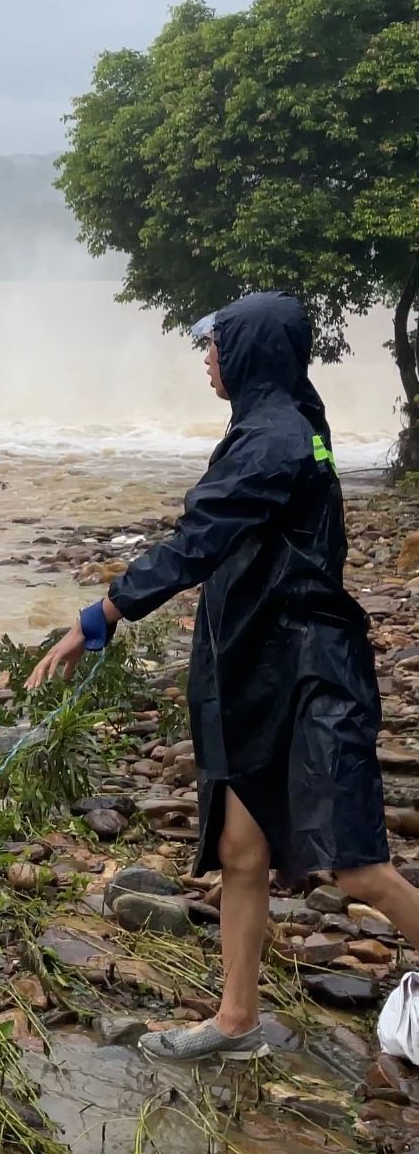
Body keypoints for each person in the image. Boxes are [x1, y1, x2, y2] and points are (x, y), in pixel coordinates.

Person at [26, 290, 419, 1062]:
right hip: (262, 669)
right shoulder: (281, 421)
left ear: (249, 353)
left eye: (215, 345)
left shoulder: (274, 437)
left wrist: (99, 617)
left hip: (311, 674)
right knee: (243, 849)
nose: (206, 357)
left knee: (357, 864)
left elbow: (196, 541)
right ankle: (236, 1021)